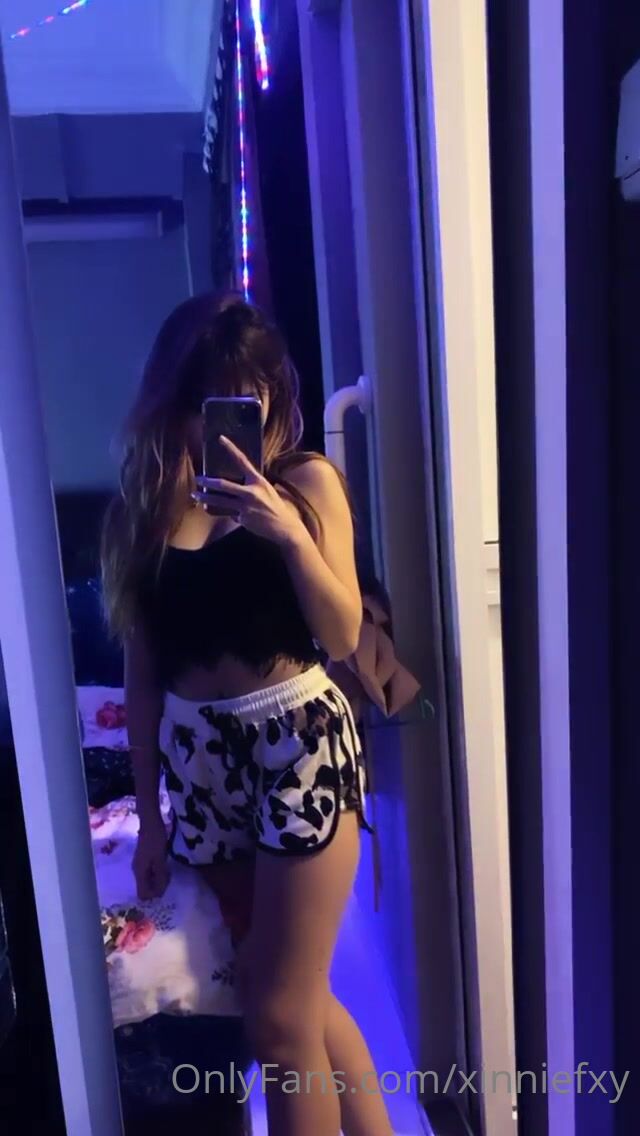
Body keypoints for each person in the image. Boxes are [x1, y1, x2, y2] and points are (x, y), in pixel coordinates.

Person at [101, 292, 393, 1136]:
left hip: (299, 752)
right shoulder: (145, 508)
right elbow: (142, 678)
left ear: (271, 395)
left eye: (244, 400)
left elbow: (343, 636)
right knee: (298, 999)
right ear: (174, 403)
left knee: (276, 1021)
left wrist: (288, 535)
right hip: (200, 773)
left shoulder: (306, 483)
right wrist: (151, 819)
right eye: (204, 403)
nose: (221, 424)